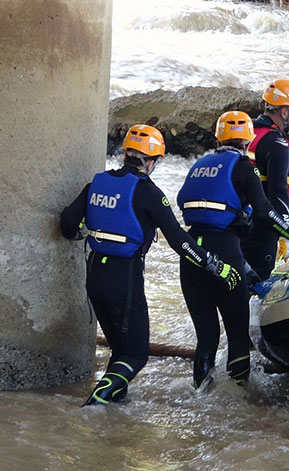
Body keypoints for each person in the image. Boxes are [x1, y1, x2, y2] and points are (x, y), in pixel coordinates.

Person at [60, 124, 242, 406]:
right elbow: (179, 241)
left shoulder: (96, 183)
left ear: (126, 154)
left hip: (95, 275)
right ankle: (92, 406)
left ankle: (109, 418)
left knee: (120, 351)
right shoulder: (148, 192)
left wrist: (85, 233)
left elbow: (67, 224)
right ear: (153, 160)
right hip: (124, 279)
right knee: (135, 355)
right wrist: (214, 265)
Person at [177, 111, 289, 389]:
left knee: (206, 339)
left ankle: (200, 398)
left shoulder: (199, 165)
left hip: (191, 256)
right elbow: (264, 212)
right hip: (226, 252)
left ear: (217, 138)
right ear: (249, 142)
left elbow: (183, 202)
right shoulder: (243, 166)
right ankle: (239, 402)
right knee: (237, 336)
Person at [241, 78, 289, 280]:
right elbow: (278, 194)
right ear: (284, 112)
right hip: (261, 231)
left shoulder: (246, 134)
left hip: (235, 226)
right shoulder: (277, 144)